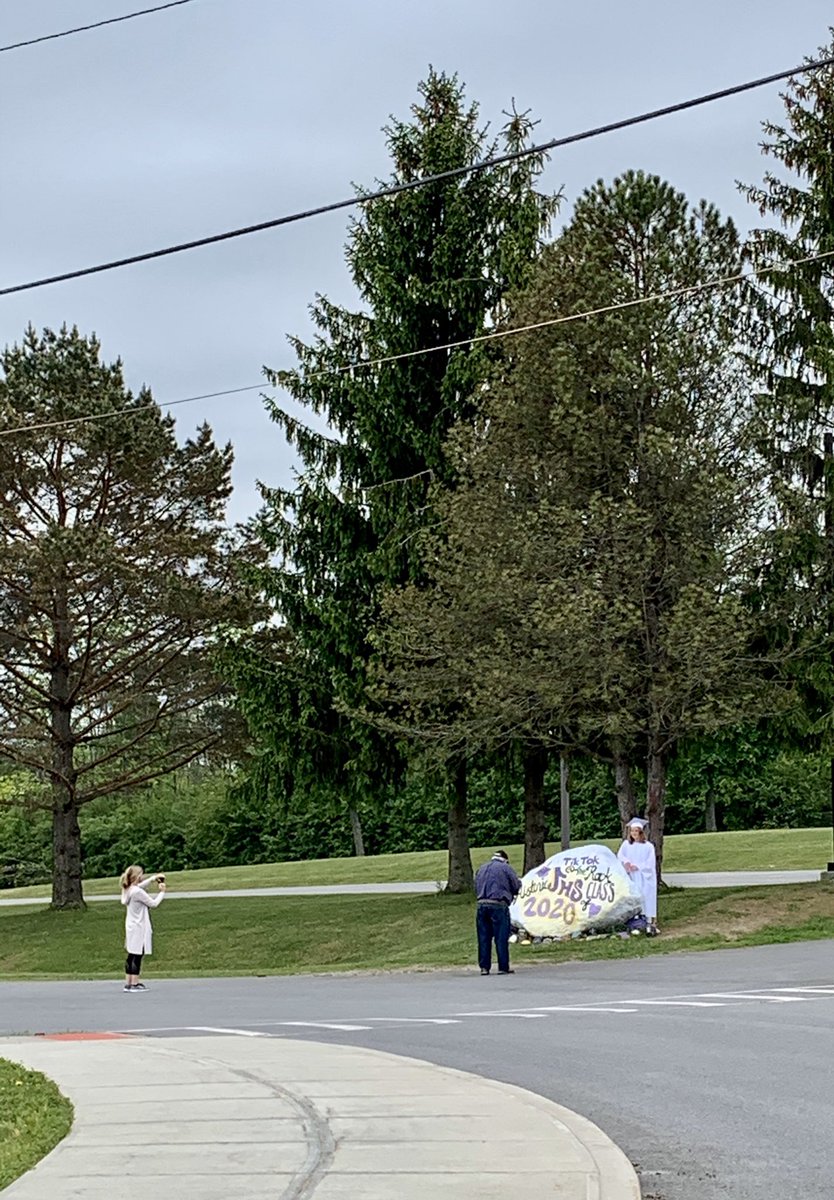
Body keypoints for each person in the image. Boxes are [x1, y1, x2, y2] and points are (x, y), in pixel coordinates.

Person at [474, 850, 521, 975]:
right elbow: (516, 886)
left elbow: (476, 886)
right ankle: (503, 967)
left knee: (483, 937)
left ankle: (484, 968)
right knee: (501, 937)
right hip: (499, 905)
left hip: (481, 905)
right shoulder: (506, 868)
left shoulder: (481, 868)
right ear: (505, 859)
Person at [120, 865, 166, 992]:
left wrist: (153, 878)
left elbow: (140, 886)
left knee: (131, 953)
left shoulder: (128, 889)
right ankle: (135, 983)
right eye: (141, 874)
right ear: (137, 877)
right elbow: (153, 903)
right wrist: (162, 892)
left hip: (131, 925)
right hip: (139, 926)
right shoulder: (137, 892)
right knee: (137, 955)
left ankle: (129, 982)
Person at [617, 818, 658, 935]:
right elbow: (620, 856)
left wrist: (638, 866)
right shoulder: (626, 845)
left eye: (636, 831)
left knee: (646, 896)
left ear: (641, 832)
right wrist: (627, 863)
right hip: (632, 875)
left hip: (644, 876)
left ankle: (650, 922)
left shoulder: (648, 846)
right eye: (632, 831)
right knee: (634, 896)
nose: (634, 833)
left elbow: (650, 863)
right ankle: (635, 921)